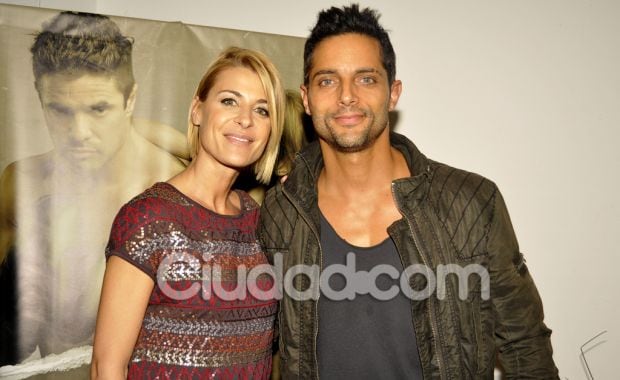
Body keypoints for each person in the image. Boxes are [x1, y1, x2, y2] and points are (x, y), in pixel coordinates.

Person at [258, 4, 560, 379]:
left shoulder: (471, 203)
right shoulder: (281, 211)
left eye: (366, 79)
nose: (347, 96)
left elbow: (525, 346)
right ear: (306, 98)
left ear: (393, 92)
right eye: (327, 80)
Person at [0, 11, 185, 360]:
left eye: (98, 109)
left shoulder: (172, 190)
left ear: (130, 100)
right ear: (40, 98)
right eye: (60, 110)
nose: (79, 132)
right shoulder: (24, 183)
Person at [91, 46, 285, 379]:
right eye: (229, 101)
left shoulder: (259, 219)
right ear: (197, 110)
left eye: (262, 110)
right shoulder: (148, 218)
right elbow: (107, 366)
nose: (245, 119)